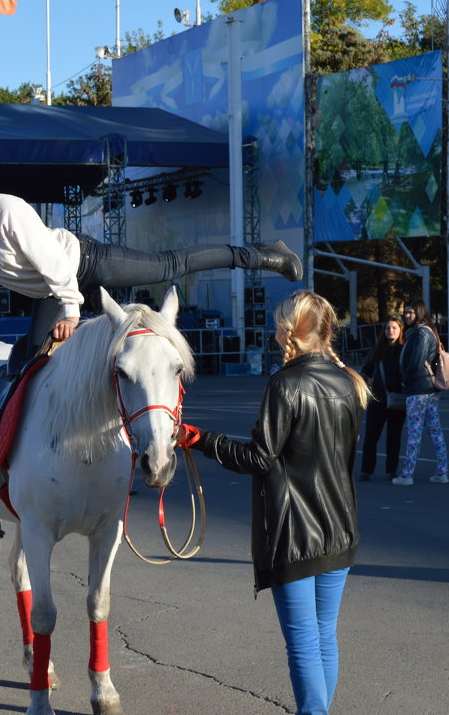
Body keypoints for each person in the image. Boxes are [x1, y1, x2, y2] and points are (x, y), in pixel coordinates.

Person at [0, 152, 302, 376]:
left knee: (170, 266)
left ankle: (265, 255)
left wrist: (71, 312)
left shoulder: (9, 212)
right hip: (53, 291)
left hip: (86, 264)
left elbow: (57, 271)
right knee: (27, 363)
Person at [175, 291, 368, 715]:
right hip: (339, 527)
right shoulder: (348, 382)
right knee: (323, 638)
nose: (272, 330)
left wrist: (203, 439)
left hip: (294, 533)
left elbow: (259, 458)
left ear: (291, 331)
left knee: (303, 643)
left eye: (278, 323)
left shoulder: (285, 383)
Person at [393, 300, 449, 485]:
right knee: (435, 431)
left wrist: (404, 380)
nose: (407, 316)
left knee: (414, 433)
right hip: (429, 389)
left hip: (418, 388)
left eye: (410, 312)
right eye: (405, 312)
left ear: (419, 313)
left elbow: (415, 363)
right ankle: (442, 472)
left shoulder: (421, 334)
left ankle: (407, 475)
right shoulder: (427, 331)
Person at [358, 315, 406, 481]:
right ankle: (366, 470)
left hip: (398, 399)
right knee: (371, 436)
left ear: (400, 331)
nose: (390, 331)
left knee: (394, 437)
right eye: (388, 328)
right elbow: (365, 371)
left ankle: (391, 470)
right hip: (378, 398)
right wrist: (366, 381)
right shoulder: (377, 349)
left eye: (394, 328)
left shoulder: (404, 349)